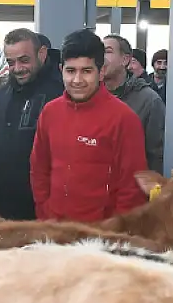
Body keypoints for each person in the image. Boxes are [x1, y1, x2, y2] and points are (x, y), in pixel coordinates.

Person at [30, 29, 149, 222]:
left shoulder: (124, 119)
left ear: (101, 72)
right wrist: (45, 212)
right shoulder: (50, 113)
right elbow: (39, 169)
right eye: (70, 71)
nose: (77, 80)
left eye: (86, 71)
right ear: (61, 70)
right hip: (54, 230)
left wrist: (113, 233)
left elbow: (132, 188)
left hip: (100, 237)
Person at [0, 27, 64, 220]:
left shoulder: (60, 95)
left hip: (42, 215)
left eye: (24, 60)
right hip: (1, 211)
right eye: (11, 62)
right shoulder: (2, 95)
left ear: (41, 54)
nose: (17, 68)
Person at [103, 34, 165, 174]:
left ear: (125, 60)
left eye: (108, 51)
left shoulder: (149, 100)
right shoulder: (90, 96)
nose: (101, 57)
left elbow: (156, 156)